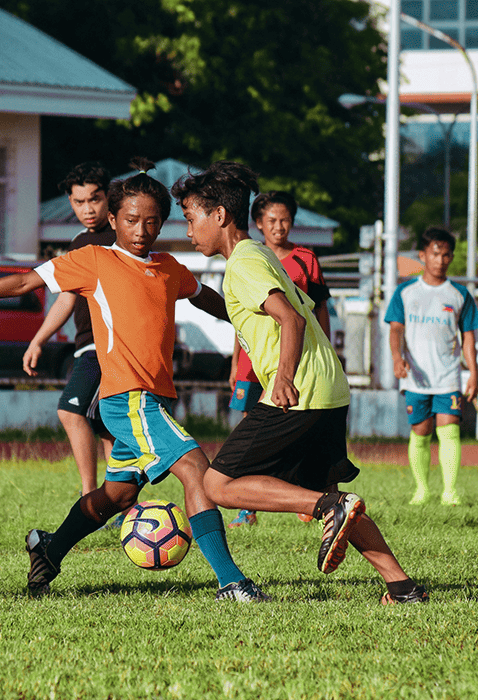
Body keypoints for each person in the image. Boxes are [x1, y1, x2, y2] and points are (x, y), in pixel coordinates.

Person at [0, 158, 268, 603]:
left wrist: (265, 315)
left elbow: (213, 301)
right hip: (128, 400)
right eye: (131, 220)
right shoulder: (93, 260)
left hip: (153, 401)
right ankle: (231, 582)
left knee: (115, 495)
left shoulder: (169, 267)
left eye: (152, 222)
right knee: (196, 470)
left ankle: (49, 548)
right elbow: (21, 282)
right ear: (113, 219)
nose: (140, 230)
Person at [173, 161, 428, 605]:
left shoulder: (242, 264)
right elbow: (282, 309)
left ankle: (326, 509)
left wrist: (284, 378)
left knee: (216, 484)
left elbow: (288, 317)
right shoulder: (261, 255)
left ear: (219, 216)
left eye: (191, 217)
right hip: (329, 387)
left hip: (299, 390)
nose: (189, 229)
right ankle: (401, 587)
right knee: (334, 497)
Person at [227, 190, 331, 528]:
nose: (279, 226)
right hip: (252, 361)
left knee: (292, 425)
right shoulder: (250, 259)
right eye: (272, 220)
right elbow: (241, 319)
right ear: (258, 223)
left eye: (285, 219)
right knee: (248, 428)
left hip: (289, 359)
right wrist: (234, 363)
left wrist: (325, 349)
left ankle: (304, 494)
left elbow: (317, 309)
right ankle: (249, 506)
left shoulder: (304, 259)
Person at [23, 162, 115, 498]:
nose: (88, 209)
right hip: (84, 347)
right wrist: (38, 340)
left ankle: (90, 500)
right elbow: (66, 298)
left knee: (70, 409)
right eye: (79, 202)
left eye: (95, 199)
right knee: (107, 428)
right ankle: (116, 504)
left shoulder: (124, 238)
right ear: (70, 202)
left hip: (108, 347)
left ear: (108, 197)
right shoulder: (78, 242)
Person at [383, 227, 478, 506]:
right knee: (420, 431)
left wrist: (473, 373)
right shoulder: (406, 292)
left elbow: (469, 337)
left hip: (449, 376)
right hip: (416, 377)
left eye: (447, 255)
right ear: (423, 255)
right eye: (435, 254)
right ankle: (422, 490)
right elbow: (396, 329)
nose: (441, 260)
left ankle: (450, 492)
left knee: (449, 429)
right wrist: (396, 357)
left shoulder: (460, 294)